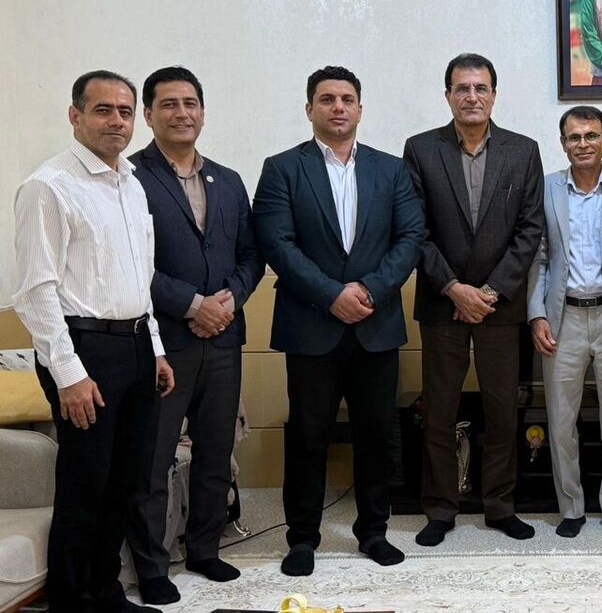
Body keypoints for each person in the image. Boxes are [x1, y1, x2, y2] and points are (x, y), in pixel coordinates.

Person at [12, 70, 175, 613]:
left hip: (135, 345)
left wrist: (155, 348)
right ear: (75, 115)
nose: (116, 121)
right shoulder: (48, 186)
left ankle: (105, 592)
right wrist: (69, 373)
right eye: (103, 110)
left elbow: (140, 278)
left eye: (125, 111)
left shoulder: (131, 182)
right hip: (83, 349)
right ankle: (71, 600)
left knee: (126, 481)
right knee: (87, 483)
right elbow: (35, 292)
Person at [253, 66, 424, 576]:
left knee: (377, 434)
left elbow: (410, 238)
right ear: (310, 109)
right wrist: (332, 295)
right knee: (308, 436)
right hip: (311, 325)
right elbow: (277, 243)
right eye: (327, 99)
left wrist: (367, 290)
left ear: (360, 109)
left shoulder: (390, 170)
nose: (338, 107)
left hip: (376, 324)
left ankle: (373, 532)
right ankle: (302, 538)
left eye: (347, 99)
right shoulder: (282, 168)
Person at [123, 66, 265, 603]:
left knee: (214, 452)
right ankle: (151, 567)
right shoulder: (130, 177)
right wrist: (191, 304)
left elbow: (251, 255)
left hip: (224, 338)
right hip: (163, 343)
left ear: (203, 111)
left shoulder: (227, 179)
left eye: (190, 103)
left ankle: (205, 549)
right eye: (169, 104)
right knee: (154, 459)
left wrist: (230, 299)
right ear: (149, 114)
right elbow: (131, 263)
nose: (181, 113)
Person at [402, 53, 545, 547]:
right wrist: (453, 287)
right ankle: (440, 509)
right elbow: (415, 230)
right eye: (462, 88)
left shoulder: (523, 151)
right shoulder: (421, 149)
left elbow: (529, 230)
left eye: (480, 88)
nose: (471, 96)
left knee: (503, 411)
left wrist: (488, 292)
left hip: (500, 307)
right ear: (448, 96)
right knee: (440, 411)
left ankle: (500, 506)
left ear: (494, 95)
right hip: (442, 302)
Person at [527, 105, 602, 539]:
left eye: (591, 135)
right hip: (563, 318)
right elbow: (538, 258)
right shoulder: (547, 188)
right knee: (560, 420)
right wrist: (536, 313)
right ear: (563, 143)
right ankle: (570, 507)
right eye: (574, 137)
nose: (583, 144)